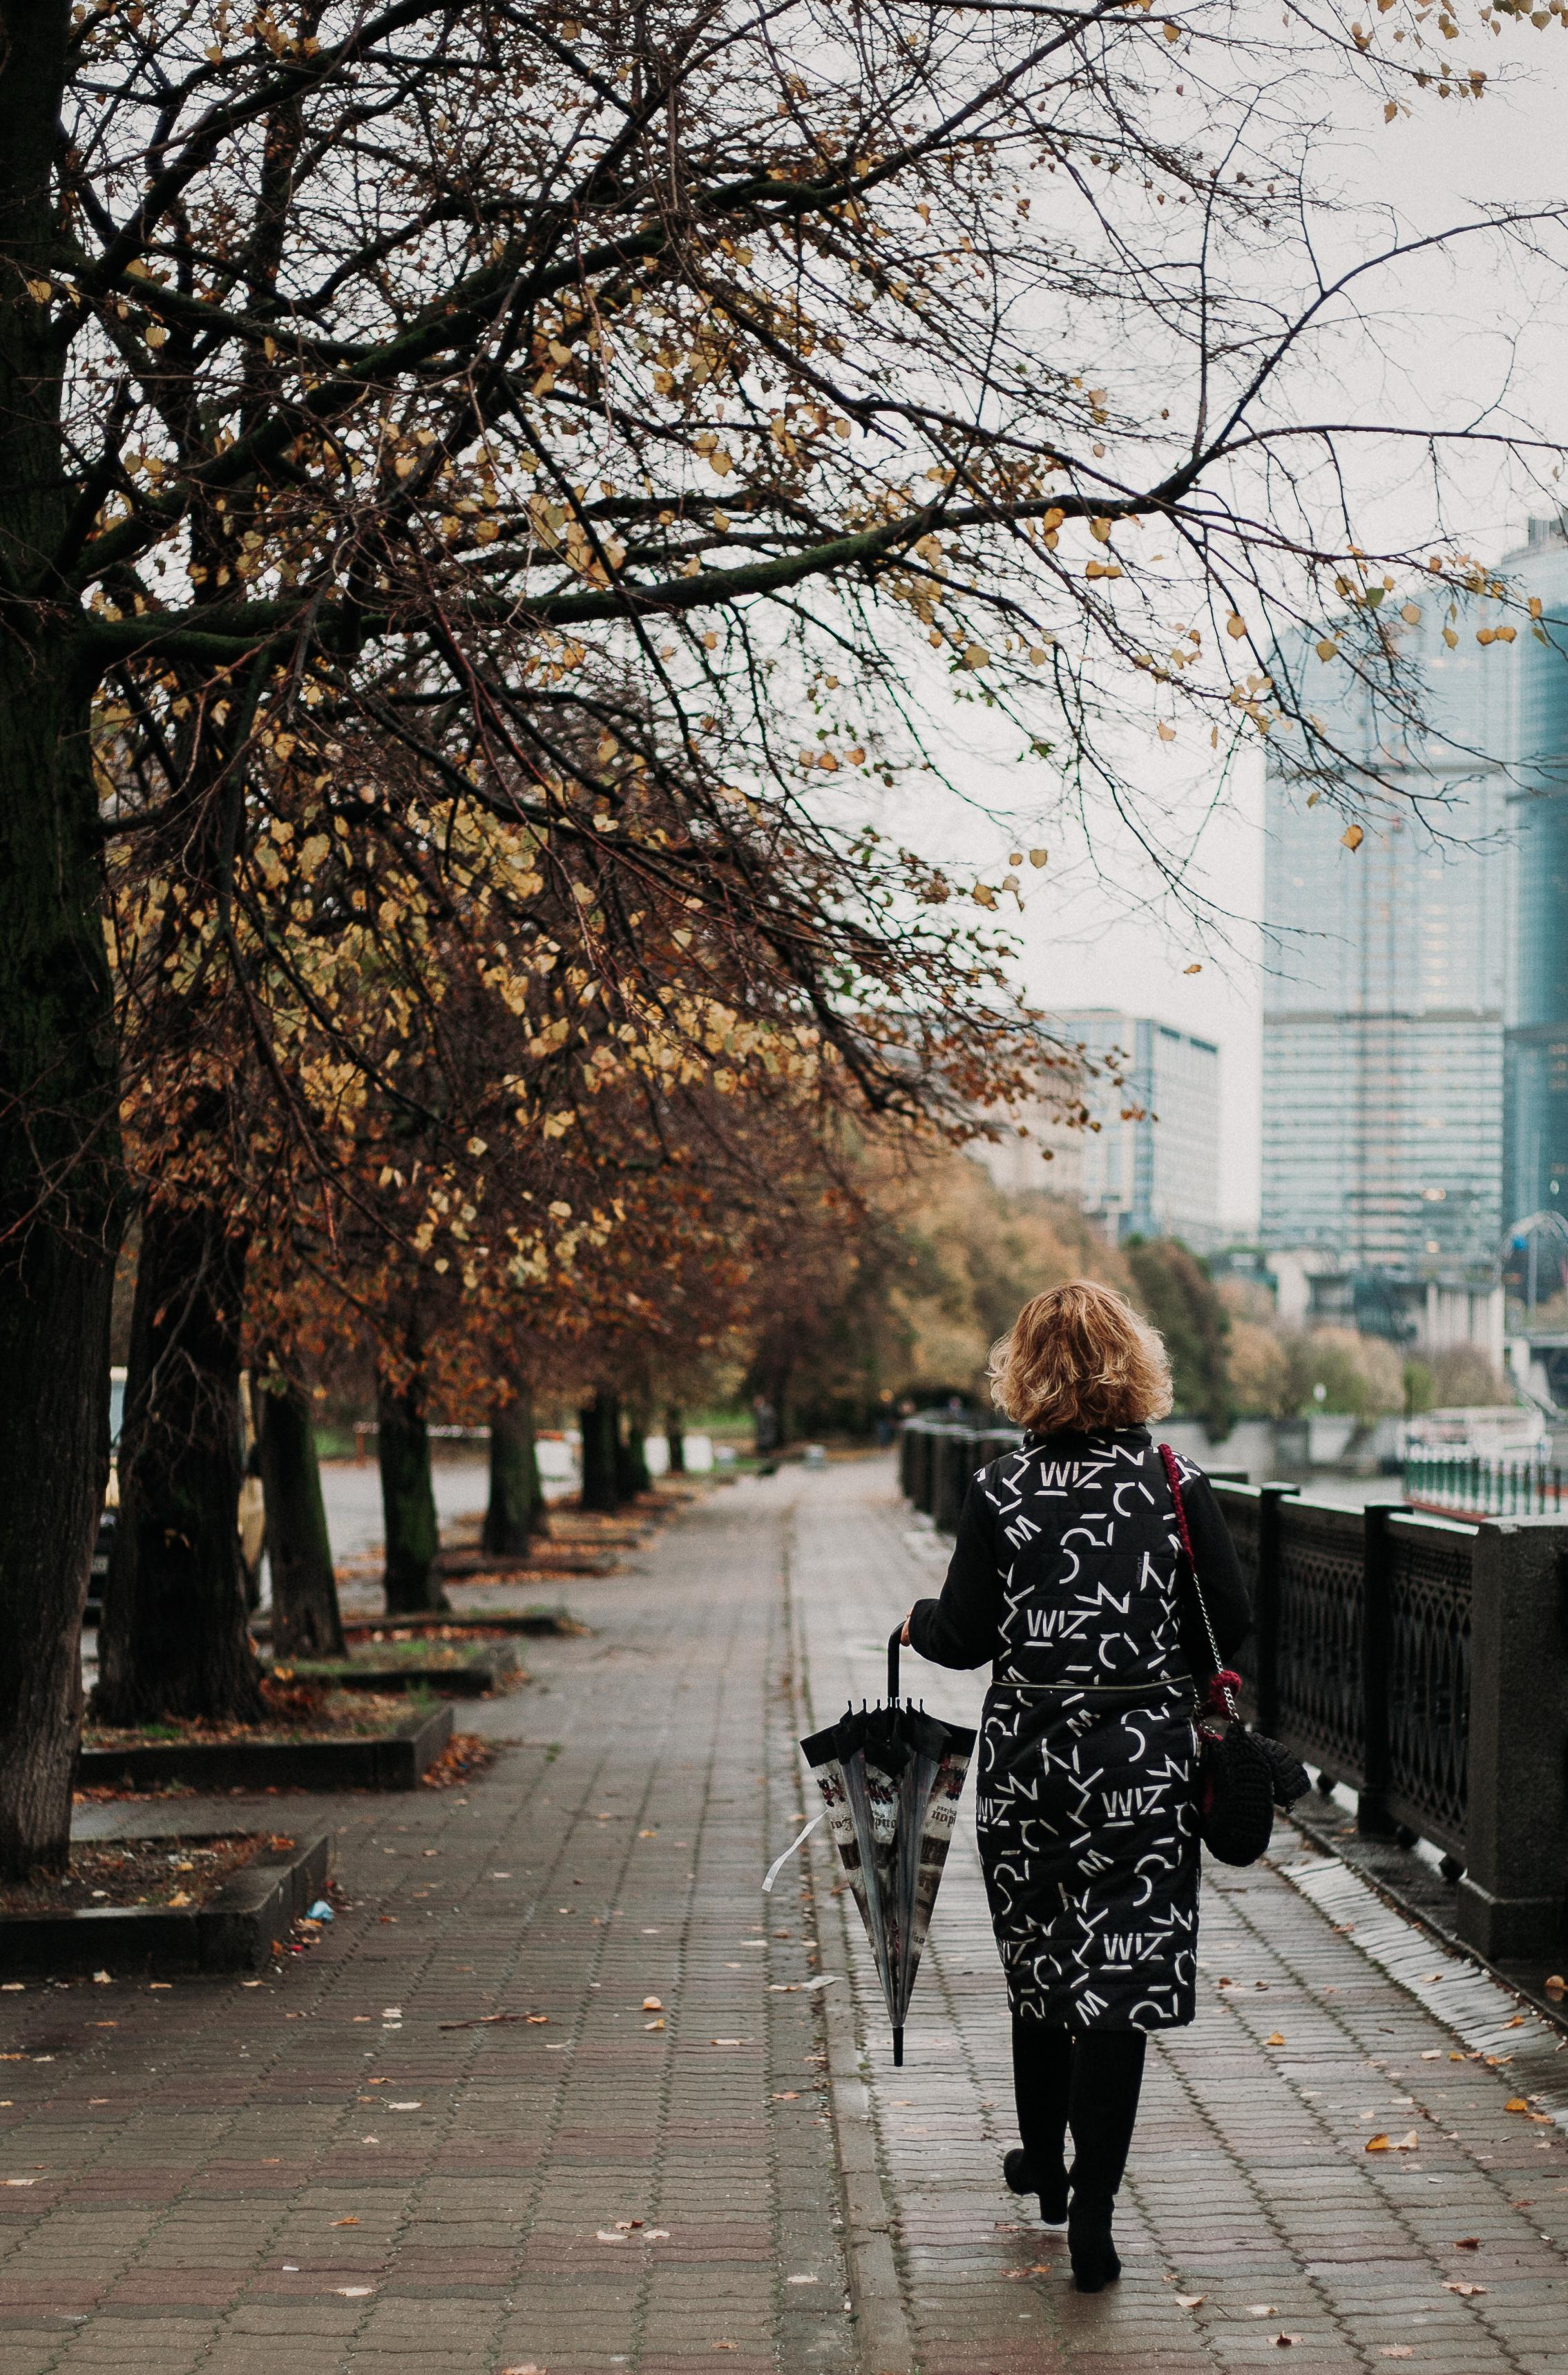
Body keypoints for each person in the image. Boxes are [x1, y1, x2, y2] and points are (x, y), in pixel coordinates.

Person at [899, 1278, 1250, 2293]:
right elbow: (1226, 1617)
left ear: (1026, 1372)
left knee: (1041, 1963)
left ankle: (1042, 2169)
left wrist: (918, 1620)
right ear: (1131, 1361)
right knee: (1119, 1979)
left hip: (1031, 1765)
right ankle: (1093, 2206)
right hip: (1141, 1756)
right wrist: (1150, 1662)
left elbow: (962, 1640)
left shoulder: (1001, 1489)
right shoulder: (1174, 1481)